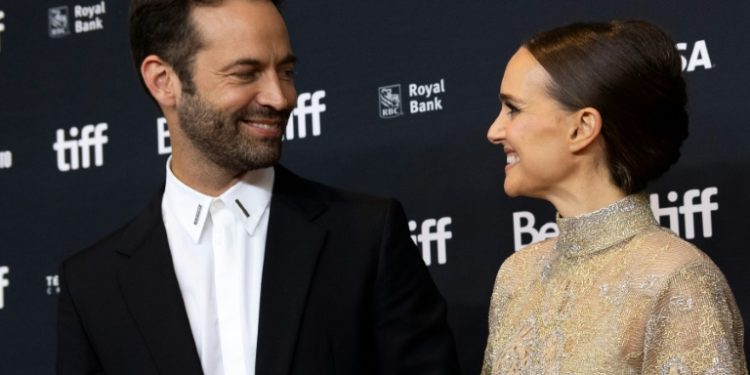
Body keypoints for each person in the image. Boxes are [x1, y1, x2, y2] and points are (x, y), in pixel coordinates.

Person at [56, 1, 461, 374]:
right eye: (245, 74)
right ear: (164, 81)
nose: (280, 97)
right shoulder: (94, 283)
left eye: (286, 71)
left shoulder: (366, 238)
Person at [481, 20, 747, 374]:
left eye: (513, 108)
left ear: (582, 127)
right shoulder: (516, 276)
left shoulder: (678, 279)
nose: (494, 131)